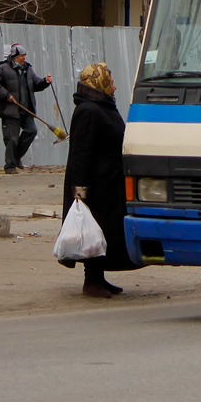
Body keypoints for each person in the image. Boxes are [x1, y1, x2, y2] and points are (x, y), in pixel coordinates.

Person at [60, 63, 139, 298]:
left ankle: (99, 277)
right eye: (110, 80)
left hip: (109, 185)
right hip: (94, 187)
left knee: (104, 232)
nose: (114, 86)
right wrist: (80, 193)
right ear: (99, 82)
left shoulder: (102, 107)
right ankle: (91, 281)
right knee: (93, 230)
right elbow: (81, 155)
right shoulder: (88, 111)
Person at [0, 43, 52, 174]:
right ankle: (10, 166)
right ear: (15, 57)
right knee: (11, 139)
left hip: (26, 109)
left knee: (31, 131)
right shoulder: (3, 68)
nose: (24, 58)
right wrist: (6, 95)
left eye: (25, 55)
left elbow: (36, 84)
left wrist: (45, 81)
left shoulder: (28, 70)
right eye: (22, 55)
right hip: (11, 110)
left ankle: (16, 158)